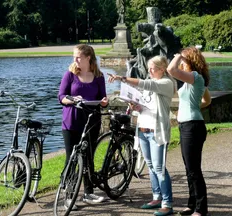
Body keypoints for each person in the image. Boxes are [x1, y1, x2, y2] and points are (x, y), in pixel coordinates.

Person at [108, 55, 176, 216]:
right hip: (144, 129)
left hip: (156, 131)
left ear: (162, 69)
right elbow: (146, 105)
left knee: (159, 168)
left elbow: (148, 84)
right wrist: (136, 106)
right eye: (149, 68)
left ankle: (167, 203)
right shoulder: (151, 84)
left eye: (153, 68)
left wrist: (123, 78)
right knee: (151, 166)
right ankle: (156, 197)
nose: (150, 71)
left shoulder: (166, 83)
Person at [58, 44, 109, 210]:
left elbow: (103, 99)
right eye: (74, 57)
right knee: (71, 157)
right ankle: (68, 195)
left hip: (91, 121)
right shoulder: (70, 74)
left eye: (78, 57)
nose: (75, 60)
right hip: (71, 121)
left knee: (88, 157)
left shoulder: (99, 76)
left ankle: (88, 193)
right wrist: (72, 99)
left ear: (88, 57)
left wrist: (104, 102)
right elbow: (61, 97)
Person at [167, 47, 211, 216]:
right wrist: (192, 107)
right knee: (189, 169)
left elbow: (171, 70)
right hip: (188, 125)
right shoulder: (192, 81)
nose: (181, 62)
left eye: (184, 60)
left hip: (193, 127)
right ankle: (192, 205)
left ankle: (201, 209)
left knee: (194, 170)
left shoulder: (195, 77)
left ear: (190, 61)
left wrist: (178, 56)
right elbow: (207, 100)